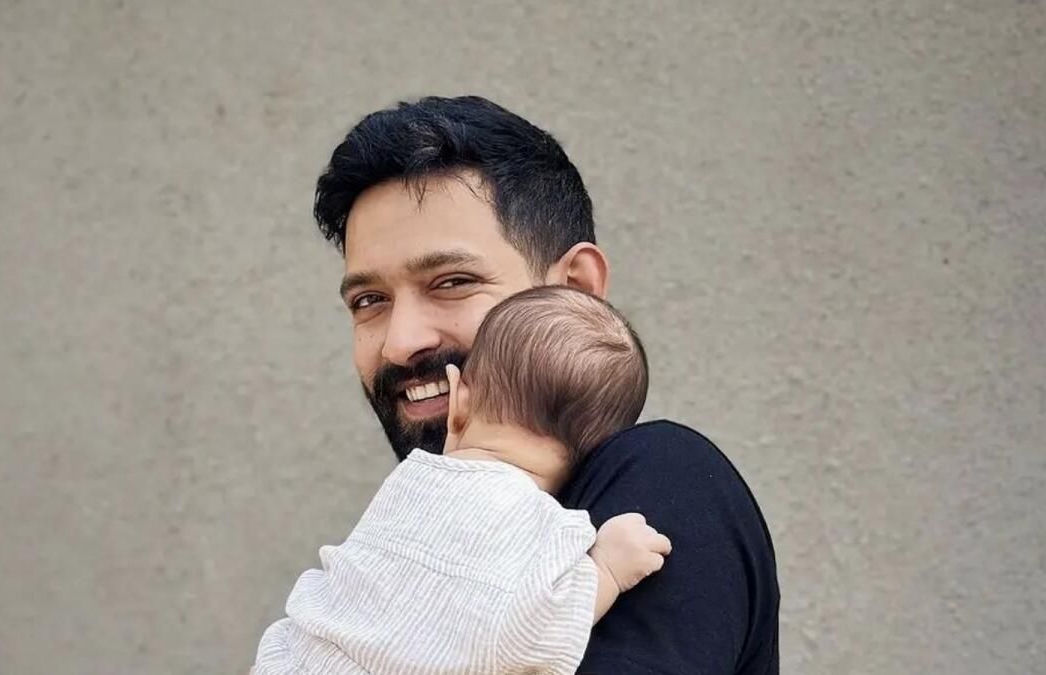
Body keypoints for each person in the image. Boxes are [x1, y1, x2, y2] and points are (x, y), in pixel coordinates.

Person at [302, 95, 779, 673]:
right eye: (369, 300)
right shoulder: (413, 545)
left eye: (452, 281)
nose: (400, 343)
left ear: (575, 289)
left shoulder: (659, 484)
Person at [254, 285, 674, 674]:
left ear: (458, 401)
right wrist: (606, 570)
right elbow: (530, 636)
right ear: (596, 454)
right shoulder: (550, 529)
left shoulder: (410, 481)